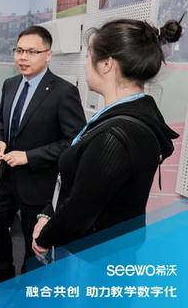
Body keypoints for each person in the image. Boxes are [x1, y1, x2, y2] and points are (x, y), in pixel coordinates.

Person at [32, 18, 181, 259]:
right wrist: (46, 214)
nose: (86, 65)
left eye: (88, 57)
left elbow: (78, 215)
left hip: (93, 260)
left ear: (105, 64)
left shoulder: (114, 136)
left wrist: (44, 237)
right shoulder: (137, 113)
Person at [0, 25, 86, 289]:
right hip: (7, 176)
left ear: (48, 55)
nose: (23, 57)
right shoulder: (10, 84)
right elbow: (0, 119)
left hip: (39, 181)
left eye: (32, 52)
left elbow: (75, 141)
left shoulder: (63, 91)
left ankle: (28, 287)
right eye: (19, 51)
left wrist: (30, 156)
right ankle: (3, 272)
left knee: (31, 240)